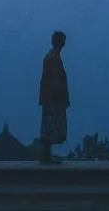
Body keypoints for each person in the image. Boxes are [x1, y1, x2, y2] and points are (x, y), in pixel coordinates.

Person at [39, 30, 70, 164]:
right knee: (50, 127)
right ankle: (46, 156)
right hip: (53, 99)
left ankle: (47, 155)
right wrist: (60, 98)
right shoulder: (53, 58)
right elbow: (54, 81)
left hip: (51, 98)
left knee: (50, 126)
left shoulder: (52, 57)